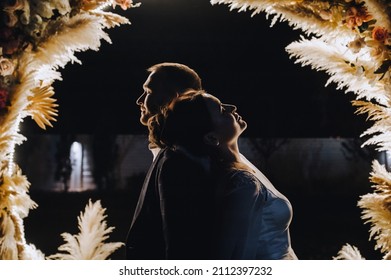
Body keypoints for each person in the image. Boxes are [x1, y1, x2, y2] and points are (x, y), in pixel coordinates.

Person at [150, 90, 298, 259]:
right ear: (212, 138)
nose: (231, 107)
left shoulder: (240, 170)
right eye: (221, 110)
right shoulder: (242, 185)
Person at [125, 62, 206, 259]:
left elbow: (179, 240)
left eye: (148, 91)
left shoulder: (178, 158)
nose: (139, 100)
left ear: (174, 97)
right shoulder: (170, 151)